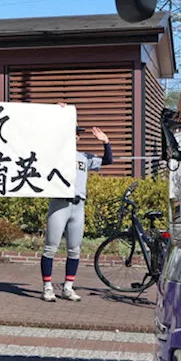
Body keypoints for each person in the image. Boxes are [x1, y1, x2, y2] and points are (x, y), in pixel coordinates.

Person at [42, 112, 113, 302]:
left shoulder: (84, 156)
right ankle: (47, 287)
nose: (75, 136)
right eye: (71, 132)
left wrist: (106, 142)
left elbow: (108, 161)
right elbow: (43, 141)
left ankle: (67, 287)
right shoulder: (55, 154)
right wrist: (58, 116)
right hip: (59, 203)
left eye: (77, 133)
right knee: (51, 247)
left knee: (74, 249)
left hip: (78, 205)